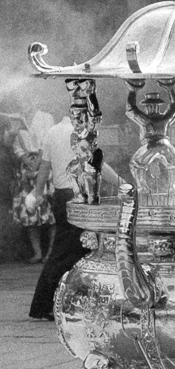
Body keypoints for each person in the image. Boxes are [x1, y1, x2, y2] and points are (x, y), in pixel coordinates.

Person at [29, 114, 120, 320]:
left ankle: (65, 301)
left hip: (61, 196)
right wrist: (121, 182)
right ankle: (44, 304)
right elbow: (99, 166)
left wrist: (38, 194)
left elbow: (44, 167)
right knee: (68, 252)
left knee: (74, 250)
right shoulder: (82, 133)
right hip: (78, 196)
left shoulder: (52, 132)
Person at [10, 128, 51, 263]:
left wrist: (38, 162)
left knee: (49, 209)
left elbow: (48, 142)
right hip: (26, 166)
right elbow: (16, 146)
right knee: (28, 210)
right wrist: (26, 160)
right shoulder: (19, 122)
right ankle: (37, 252)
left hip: (44, 163)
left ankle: (50, 252)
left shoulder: (45, 118)